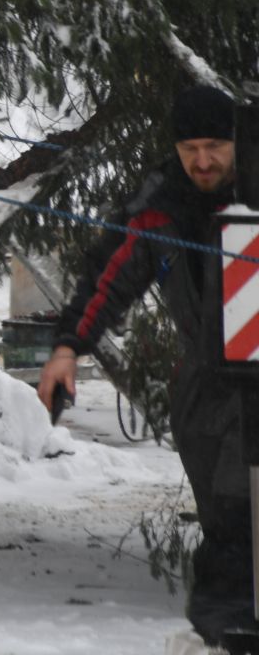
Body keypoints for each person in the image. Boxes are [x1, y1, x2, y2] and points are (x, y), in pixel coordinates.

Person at [38, 84, 256, 653]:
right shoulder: (158, 208)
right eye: (190, 149)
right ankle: (227, 628)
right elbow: (105, 279)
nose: (203, 161)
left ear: (238, 142)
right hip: (206, 394)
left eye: (214, 146)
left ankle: (236, 619)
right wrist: (68, 348)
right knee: (226, 515)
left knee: (243, 503)